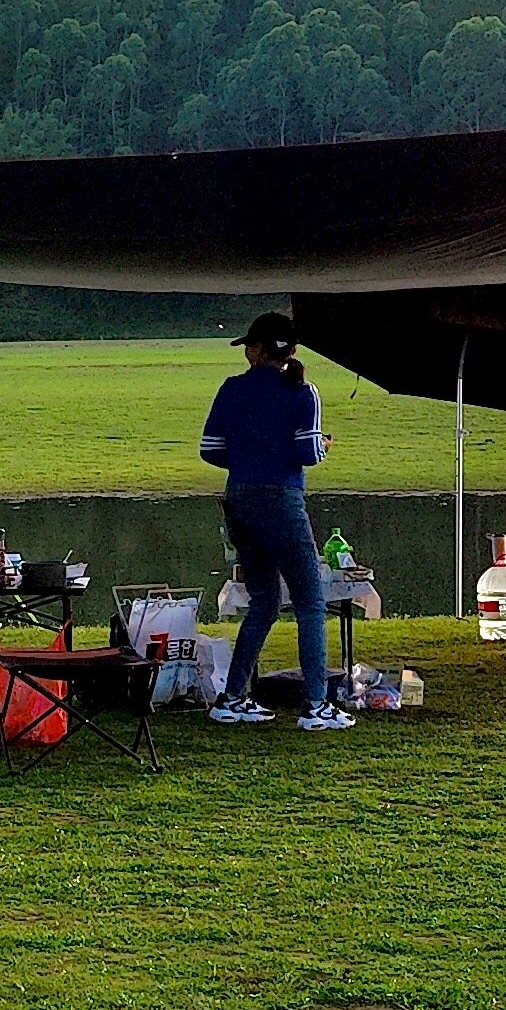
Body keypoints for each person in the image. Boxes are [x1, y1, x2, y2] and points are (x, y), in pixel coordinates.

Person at [200, 310, 352, 730]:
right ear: (291, 352)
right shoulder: (303, 392)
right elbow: (307, 453)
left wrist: (248, 460)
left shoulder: (231, 389)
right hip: (282, 499)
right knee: (309, 600)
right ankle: (317, 706)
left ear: (257, 350)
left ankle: (232, 697)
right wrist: (322, 447)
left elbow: (210, 450)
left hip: (239, 498)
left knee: (264, 601)